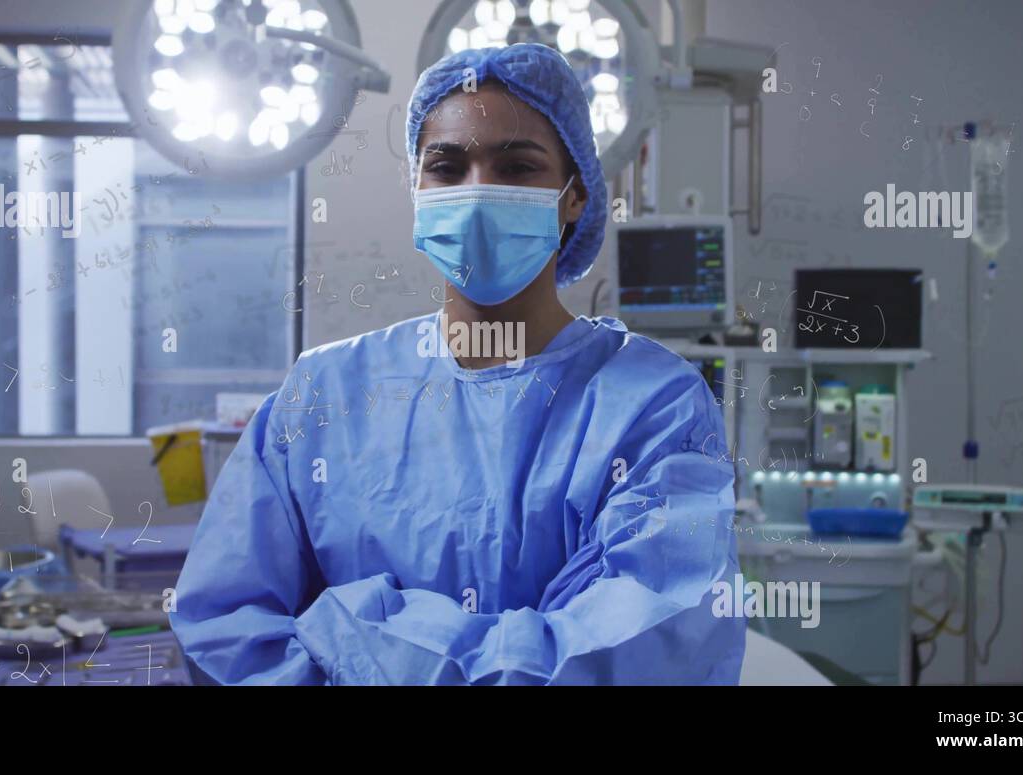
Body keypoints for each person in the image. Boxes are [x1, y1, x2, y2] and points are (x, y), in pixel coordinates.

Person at [170, 43, 745, 685]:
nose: (477, 194)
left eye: (517, 166)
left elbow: (641, 652)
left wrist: (352, 628)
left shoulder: (652, 405)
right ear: (416, 190)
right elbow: (224, 630)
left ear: (575, 196)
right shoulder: (324, 392)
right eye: (446, 166)